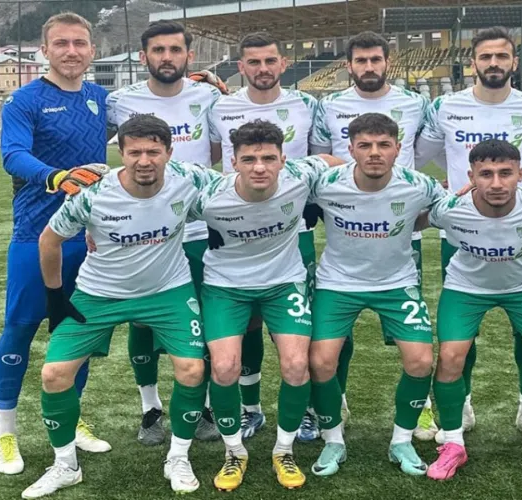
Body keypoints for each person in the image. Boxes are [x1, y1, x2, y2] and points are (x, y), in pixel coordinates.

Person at [21, 114, 219, 498]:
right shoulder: (94, 194)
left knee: (193, 369)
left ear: (169, 152)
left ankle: (178, 457)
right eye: (134, 153)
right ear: (121, 154)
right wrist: (55, 297)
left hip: (167, 291)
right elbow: (49, 240)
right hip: (99, 294)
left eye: (153, 152)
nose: (144, 161)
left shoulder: (190, 178)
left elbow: (238, 190)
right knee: (54, 374)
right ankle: (65, 465)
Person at [414, 26, 522, 445]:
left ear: (514, 62)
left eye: (502, 56)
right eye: (486, 57)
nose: (494, 63)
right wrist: (455, 186)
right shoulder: (445, 106)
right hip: (464, 227)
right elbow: (417, 157)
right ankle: (461, 406)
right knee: (461, 333)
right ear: (473, 63)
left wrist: (517, 179)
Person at [192, 120, 342, 491]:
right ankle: (234, 453)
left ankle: (283, 450)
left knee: (296, 365)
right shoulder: (208, 194)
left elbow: (335, 162)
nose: (259, 167)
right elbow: (158, 202)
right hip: (226, 286)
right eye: (249, 159)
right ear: (233, 162)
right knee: (224, 368)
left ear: (282, 159)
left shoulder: (299, 177)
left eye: (268, 158)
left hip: (283, 283)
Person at [0, 11, 110, 475]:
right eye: (61, 43)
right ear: (45, 50)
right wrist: (56, 177)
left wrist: (201, 88)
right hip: (35, 234)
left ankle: (70, 417)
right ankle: (5, 432)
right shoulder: (24, 100)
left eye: (79, 43)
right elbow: (13, 155)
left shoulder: (101, 98)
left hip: (88, 236)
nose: (71, 51)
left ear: (92, 51)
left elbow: (154, 120)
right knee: (20, 327)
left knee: (76, 329)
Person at [422, 139, 522, 482]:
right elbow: (415, 219)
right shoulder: (450, 209)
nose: (496, 183)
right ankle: (453, 443)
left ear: (521, 174)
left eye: (505, 173)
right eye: (486, 174)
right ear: (471, 177)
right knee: (450, 357)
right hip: (466, 288)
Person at [306, 113, 449, 478]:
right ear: (351, 149)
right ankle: (333, 440)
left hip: (396, 282)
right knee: (321, 363)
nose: (374, 153)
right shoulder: (326, 183)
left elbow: (443, 211)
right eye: (365, 145)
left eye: (384, 145)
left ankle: (401, 440)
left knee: (420, 362)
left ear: (398, 149)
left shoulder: (419, 185)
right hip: (338, 283)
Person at [310, 30, 436, 439]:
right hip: (346, 225)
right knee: (333, 340)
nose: (369, 67)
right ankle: (336, 402)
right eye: (361, 60)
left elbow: (424, 154)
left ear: (387, 62)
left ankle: (420, 410)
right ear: (348, 65)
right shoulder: (329, 105)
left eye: (375, 59)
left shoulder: (415, 103)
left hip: (400, 227)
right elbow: (318, 155)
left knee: (412, 343)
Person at [105, 19, 225, 447]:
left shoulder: (209, 96)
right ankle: (150, 408)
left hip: (197, 228)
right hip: (142, 231)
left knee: (202, 317)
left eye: (175, 50)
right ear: (144, 57)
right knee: (142, 319)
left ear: (189, 56)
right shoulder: (119, 101)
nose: (167, 57)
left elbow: (217, 150)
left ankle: (203, 405)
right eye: (158, 50)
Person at [207, 31, 330, 441]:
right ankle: (250, 409)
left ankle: (308, 409)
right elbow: (211, 159)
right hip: (235, 227)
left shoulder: (307, 104)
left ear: (283, 63)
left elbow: (324, 158)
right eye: (254, 62)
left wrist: (317, 202)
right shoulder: (220, 106)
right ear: (241, 67)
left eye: (270, 60)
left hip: (292, 228)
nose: (263, 68)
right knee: (247, 325)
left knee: (299, 330)